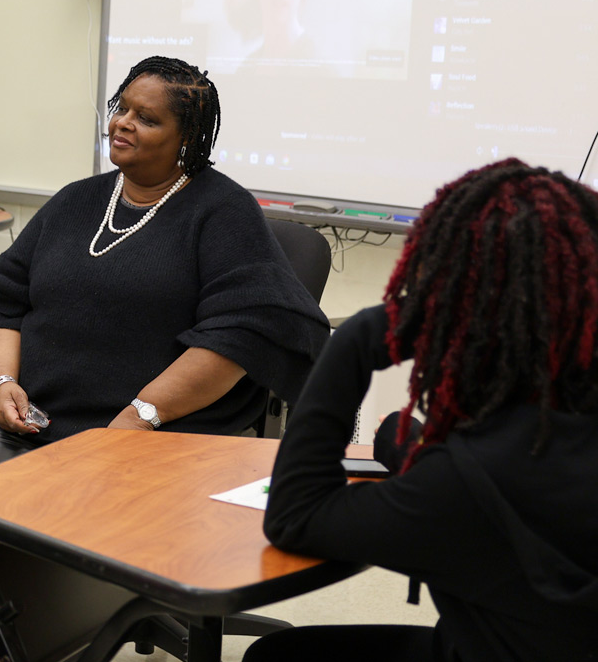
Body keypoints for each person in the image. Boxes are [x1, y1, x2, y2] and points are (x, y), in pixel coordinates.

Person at [0, 55, 329, 662]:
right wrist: (2, 383)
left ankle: (67, 624)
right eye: (120, 108)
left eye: (146, 118)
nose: (123, 124)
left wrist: (137, 418)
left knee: (67, 491)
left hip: (156, 422)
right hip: (39, 409)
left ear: (187, 140)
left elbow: (240, 333)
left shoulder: (220, 211)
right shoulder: (78, 202)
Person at [247, 159, 598, 662]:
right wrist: (401, 440)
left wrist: (356, 340)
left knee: (277, 656)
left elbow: (294, 518)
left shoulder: (461, 484)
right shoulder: (551, 426)